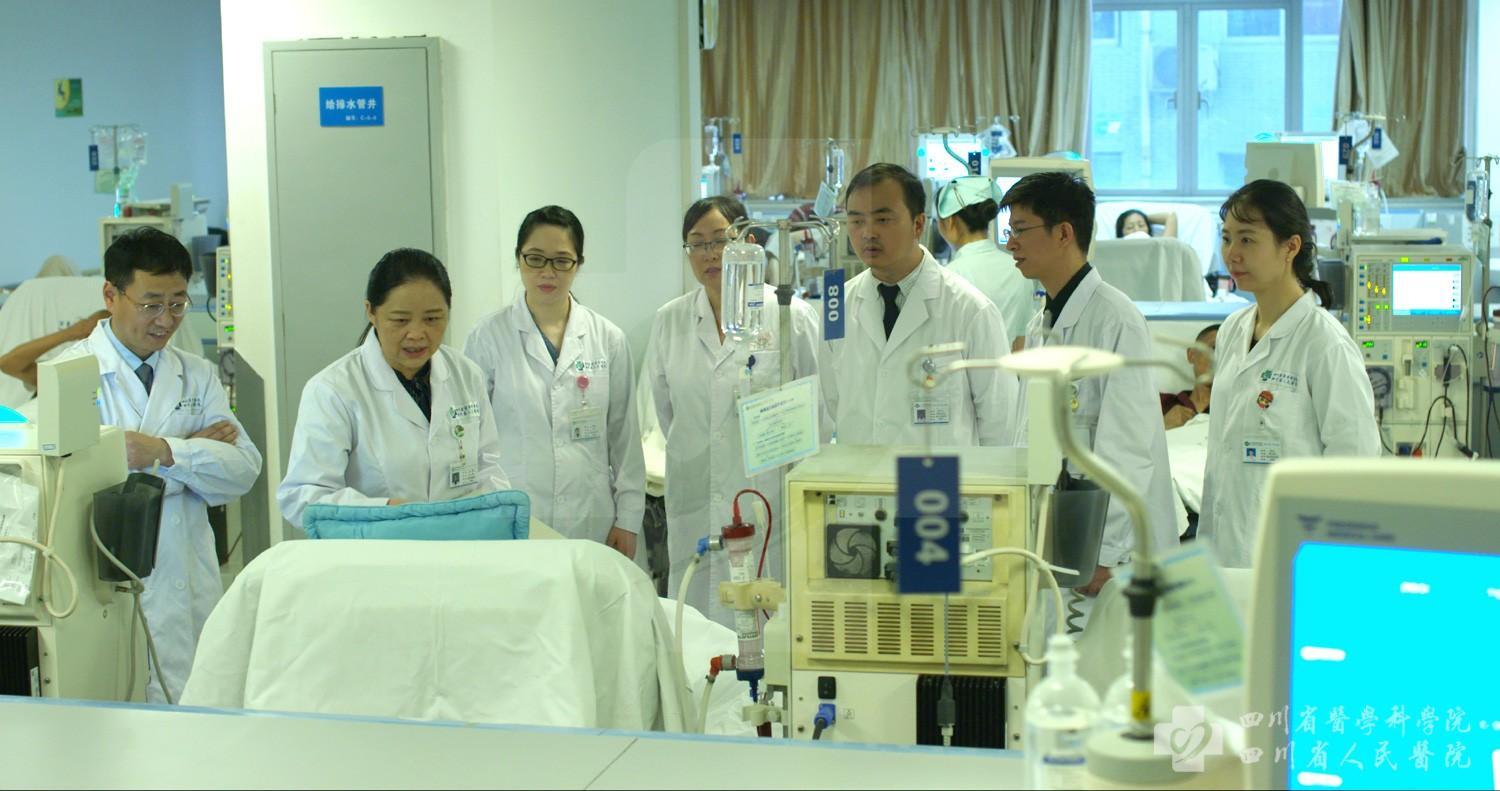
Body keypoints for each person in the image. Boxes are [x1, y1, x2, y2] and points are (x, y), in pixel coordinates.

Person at [51, 227, 262, 703]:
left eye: (178, 303)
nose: (166, 320)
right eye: (151, 305)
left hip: (189, 584)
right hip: (106, 589)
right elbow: (76, 491)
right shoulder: (72, 374)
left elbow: (243, 470)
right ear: (111, 295)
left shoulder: (196, 374)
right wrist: (193, 459)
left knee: (199, 712)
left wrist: (164, 451)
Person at [646, 196, 831, 627]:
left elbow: (818, 415)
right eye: (697, 243)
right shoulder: (670, 320)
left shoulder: (789, 315)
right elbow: (667, 412)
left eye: (720, 240)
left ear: (747, 243)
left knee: (767, 625)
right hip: (694, 496)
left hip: (767, 501)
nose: (709, 253)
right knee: (695, 630)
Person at [1001, 172, 1179, 594]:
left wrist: (1103, 554)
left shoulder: (1115, 320)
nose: (1011, 244)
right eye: (1009, 232)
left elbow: (1128, 448)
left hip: (1109, 554)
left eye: (1021, 230)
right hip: (1059, 536)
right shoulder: (1042, 324)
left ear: (1064, 233)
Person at [1198, 180, 1380, 568]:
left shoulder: (1324, 343)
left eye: (1247, 240)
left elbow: (1355, 466)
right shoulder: (1232, 330)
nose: (1232, 253)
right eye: (1227, 238)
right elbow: (1222, 457)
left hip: (1295, 559)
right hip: (1225, 554)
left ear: (1290, 247)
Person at [278, 249, 508, 528]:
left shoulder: (466, 375)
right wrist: (386, 511)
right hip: (376, 547)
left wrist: (495, 512)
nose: (417, 334)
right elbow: (302, 497)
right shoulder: (333, 390)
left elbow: (488, 467)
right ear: (371, 312)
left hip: (459, 541)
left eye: (433, 318)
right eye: (400, 320)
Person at [463, 206, 644, 558]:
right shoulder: (487, 337)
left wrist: (629, 519)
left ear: (578, 263)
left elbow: (625, 436)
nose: (547, 272)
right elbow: (472, 439)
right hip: (515, 517)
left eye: (561, 261)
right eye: (535, 259)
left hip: (592, 516)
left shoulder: (608, 338)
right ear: (518, 259)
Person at [830, 163, 1017, 447]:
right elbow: (828, 404)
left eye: (883, 219)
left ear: (918, 224)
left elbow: (1000, 424)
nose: (868, 233)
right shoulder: (837, 308)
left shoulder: (971, 310)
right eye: (856, 221)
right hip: (859, 473)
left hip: (942, 475)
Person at [934, 175, 1036, 351]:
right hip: (1011, 368)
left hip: (964, 368)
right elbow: (1021, 342)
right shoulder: (1018, 269)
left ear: (949, 222)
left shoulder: (948, 276)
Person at [1161, 324, 1219, 430]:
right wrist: (1163, 425)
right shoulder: (1162, 404)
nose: (1218, 358)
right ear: (1192, 355)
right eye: (1214, 348)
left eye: (1226, 352)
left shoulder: (1236, 410)